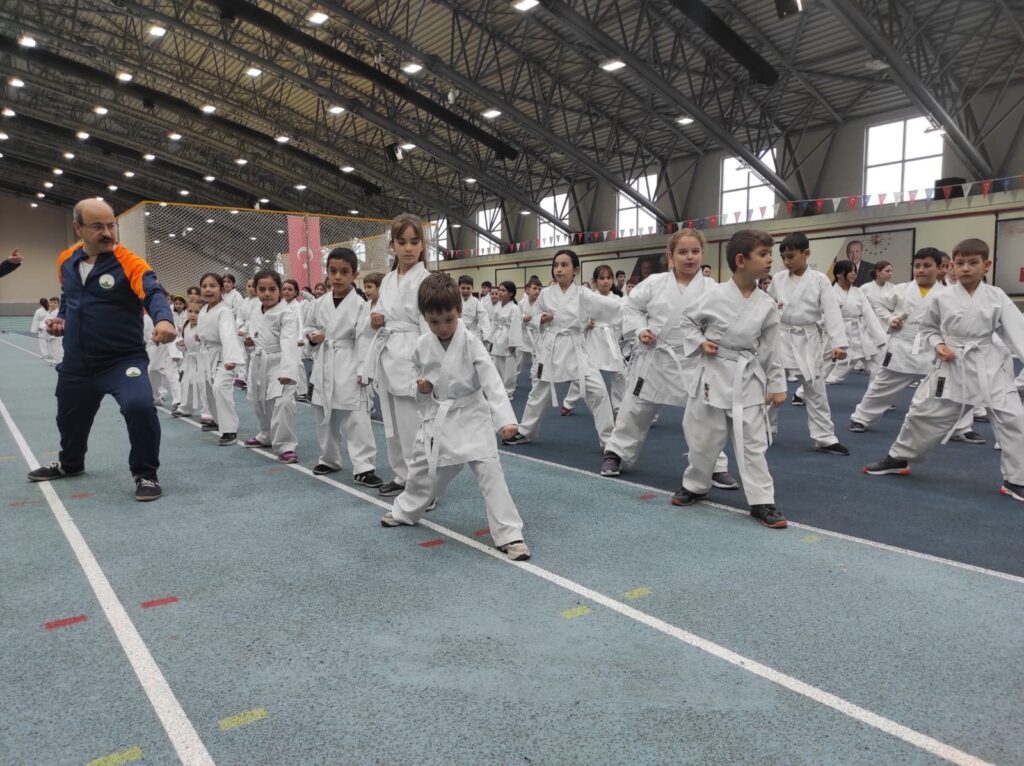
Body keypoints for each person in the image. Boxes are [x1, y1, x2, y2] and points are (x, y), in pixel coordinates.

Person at [27, 199, 176, 501]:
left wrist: (164, 320)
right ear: (78, 228)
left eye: (111, 225)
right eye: (98, 226)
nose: (108, 232)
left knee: (140, 407)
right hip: (78, 363)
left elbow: (153, 292)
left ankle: (145, 474)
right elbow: (69, 298)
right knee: (69, 419)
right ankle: (71, 464)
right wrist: (62, 320)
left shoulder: (130, 262)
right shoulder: (66, 261)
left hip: (122, 360)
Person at [380, 273, 530, 562]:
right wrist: (421, 385)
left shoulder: (471, 342)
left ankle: (510, 535)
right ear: (425, 318)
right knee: (425, 473)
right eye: (434, 322)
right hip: (441, 417)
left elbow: (491, 381)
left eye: (448, 319)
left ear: (459, 312)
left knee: (490, 473)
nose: (443, 327)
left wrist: (506, 421)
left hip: (473, 415)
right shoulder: (422, 345)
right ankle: (405, 510)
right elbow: (414, 372)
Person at [864, 238, 1024, 503]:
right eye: (960, 263)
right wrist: (938, 344)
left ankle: (1016, 479)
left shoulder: (997, 297)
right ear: (951, 265)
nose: (965, 269)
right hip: (952, 364)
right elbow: (928, 330)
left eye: (973, 263)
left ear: (986, 265)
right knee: (922, 413)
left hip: (990, 366)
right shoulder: (942, 297)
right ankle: (898, 457)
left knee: (1014, 419)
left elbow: (1017, 333)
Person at [599, 229, 735, 487]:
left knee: (704, 414)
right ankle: (616, 452)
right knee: (636, 408)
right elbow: (631, 307)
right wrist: (641, 330)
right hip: (655, 354)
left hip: (693, 357)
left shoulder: (711, 288)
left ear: (702, 254)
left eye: (695, 251)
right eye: (683, 252)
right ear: (670, 255)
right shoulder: (654, 283)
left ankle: (713, 463)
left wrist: (708, 341)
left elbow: (721, 320)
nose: (690, 257)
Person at [674, 229, 788, 528]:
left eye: (769, 255)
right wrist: (700, 342)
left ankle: (762, 500)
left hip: (746, 375)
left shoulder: (766, 304)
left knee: (752, 441)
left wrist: (776, 385)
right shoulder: (712, 295)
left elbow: (771, 350)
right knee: (703, 438)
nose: (769, 261)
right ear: (741, 260)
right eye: (763, 255)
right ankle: (696, 485)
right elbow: (686, 322)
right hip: (712, 372)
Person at [849, 248, 979, 442]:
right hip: (902, 346)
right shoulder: (901, 289)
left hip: (934, 349)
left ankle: (960, 427)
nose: (921, 270)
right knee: (882, 385)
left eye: (927, 266)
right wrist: (891, 318)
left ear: (939, 268)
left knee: (952, 387)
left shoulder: (947, 294)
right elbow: (878, 305)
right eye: (917, 266)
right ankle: (862, 418)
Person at [504, 249, 620, 449]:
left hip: (576, 348)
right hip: (552, 348)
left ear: (575, 269)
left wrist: (641, 314)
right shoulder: (546, 294)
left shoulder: (585, 295)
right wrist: (542, 319)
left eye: (564, 265)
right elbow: (534, 318)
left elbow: (613, 308)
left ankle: (608, 440)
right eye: (556, 265)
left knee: (599, 391)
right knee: (539, 392)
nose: (558, 269)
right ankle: (525, 431)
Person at [359, 213, 432, 497]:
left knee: (414, 426)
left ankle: (424, 487)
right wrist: (373, 321)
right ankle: (402, 475)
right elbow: (375, 317)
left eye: (414, 242)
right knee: (392, 423)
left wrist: (428, 368)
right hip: (388, 354)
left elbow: (429, 325)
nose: (408, 248)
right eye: (402, 242)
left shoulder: (425, 279)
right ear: (392, 246)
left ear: (423, 245)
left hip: (413, 353)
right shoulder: (388, 279)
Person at [305, 248, 383, 486]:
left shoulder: (360, 305)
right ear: (327, 273)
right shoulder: (319, 303)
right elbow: (308, 327)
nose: (338, 276)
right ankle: (329, 458)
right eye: (333, 271)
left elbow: (366, 339)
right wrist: (312, 337)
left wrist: (364, 370)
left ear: (354, 274)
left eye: (344, 272)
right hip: (325, 360)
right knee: (323, 413)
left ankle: (364, 466)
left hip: (350, 361)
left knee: (356, 417)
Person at [767, 233, 850, 456]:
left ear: (807, 254)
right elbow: (766, 306)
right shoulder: (778, 279)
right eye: (783, 257)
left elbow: (831, 312)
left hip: (807, 338)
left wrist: (838, 343)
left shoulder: (820, 280)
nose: (786, 262)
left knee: (815, 389)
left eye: (791, 256)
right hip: (781, 336)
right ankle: (765, 431)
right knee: (771, 386)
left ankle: (824, 437)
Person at [241, 270, 302, 463]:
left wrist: (287, 370)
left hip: (281, 361)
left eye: (272, 289)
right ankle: (265, 434)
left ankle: (285, 445)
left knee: (282, 403)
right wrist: (251, 343)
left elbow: (288, 342)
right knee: (261, 402)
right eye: (262, 289)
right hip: (260, 361)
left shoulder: (287, 314)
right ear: (256, 290)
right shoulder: (256, 310)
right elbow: (256, 334)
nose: (267, 293)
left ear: (279, 290)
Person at [562, 265, 626, 417]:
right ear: (595, 281)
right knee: (584, 372)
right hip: (592, 338)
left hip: (610, 338)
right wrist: (586, 324)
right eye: (602, 278)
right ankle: (568, 403)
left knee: (619, 374)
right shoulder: (588, 297)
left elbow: (623, 318)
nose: (605, 281)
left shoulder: (618, 299)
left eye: (608, 278)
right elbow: (577, 317)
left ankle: (619, 407)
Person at [197, 272, 245, 446]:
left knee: (220, 388)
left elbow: (227, 335)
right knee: (208, 388)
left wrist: (230, 358)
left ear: (221, 289)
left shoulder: (224, 310)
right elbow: (205, 330)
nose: (208, 290)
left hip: (225, 355)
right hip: (207, 354)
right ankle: (218, 420)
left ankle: (230, 430)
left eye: (212, 286)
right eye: (204, 286)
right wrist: (199, 336)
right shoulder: (204, 309)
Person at [825, 260, 887, 384]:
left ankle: (875, 399)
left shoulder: (858, 292)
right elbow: (823, 318)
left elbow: (869, 315)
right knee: (826, 369)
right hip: (839, 336)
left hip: (861, 336)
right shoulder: (829, 293)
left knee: (877, 367)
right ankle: (801, 393)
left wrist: (881, 338)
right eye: (851, 271)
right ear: (839, 274)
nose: (854, 274)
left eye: (855, 271)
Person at [489, 281, 523, 398]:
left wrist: (513, 343)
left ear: (511, 294)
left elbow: (516, 326)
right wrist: (491, 339)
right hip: (498, 337)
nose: (499, 292)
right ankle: (499, 389)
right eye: (499, 290)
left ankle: (509, 391)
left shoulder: (514, 308)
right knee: (497, 364)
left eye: (503, 290)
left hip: (508, 338)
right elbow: (494, 323)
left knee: (508, 368)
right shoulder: (498, 306)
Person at [174, 302, 207, 422]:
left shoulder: (204, 326)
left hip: (203, 359)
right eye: (190, 311)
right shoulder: (186, 324)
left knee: (202, 384)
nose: (193, 315)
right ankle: (185, 408)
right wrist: (181, 345)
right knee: (186, 383)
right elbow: (186, 343)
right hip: (189, 358)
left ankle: (207, 411)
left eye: (197, 312)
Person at [457, 275, 491, 344]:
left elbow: (483, 318)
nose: (465, 290)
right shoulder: (455, 301)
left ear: (472, 288)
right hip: (457, 334)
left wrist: (486, 336)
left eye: (468, 288)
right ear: (458, 288)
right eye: (463, 288)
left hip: (473, 334)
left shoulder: (476, 302)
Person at [44, 297, 64, 365]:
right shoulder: (48, 312)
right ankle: (56, 359)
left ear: (58, 304)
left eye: (55, 303)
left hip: (57, 332)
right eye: (51, 302)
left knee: (57, 347)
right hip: (49, 333)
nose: (53, 304)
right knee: (52, 347)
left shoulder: (58, 312)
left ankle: (59, 361)